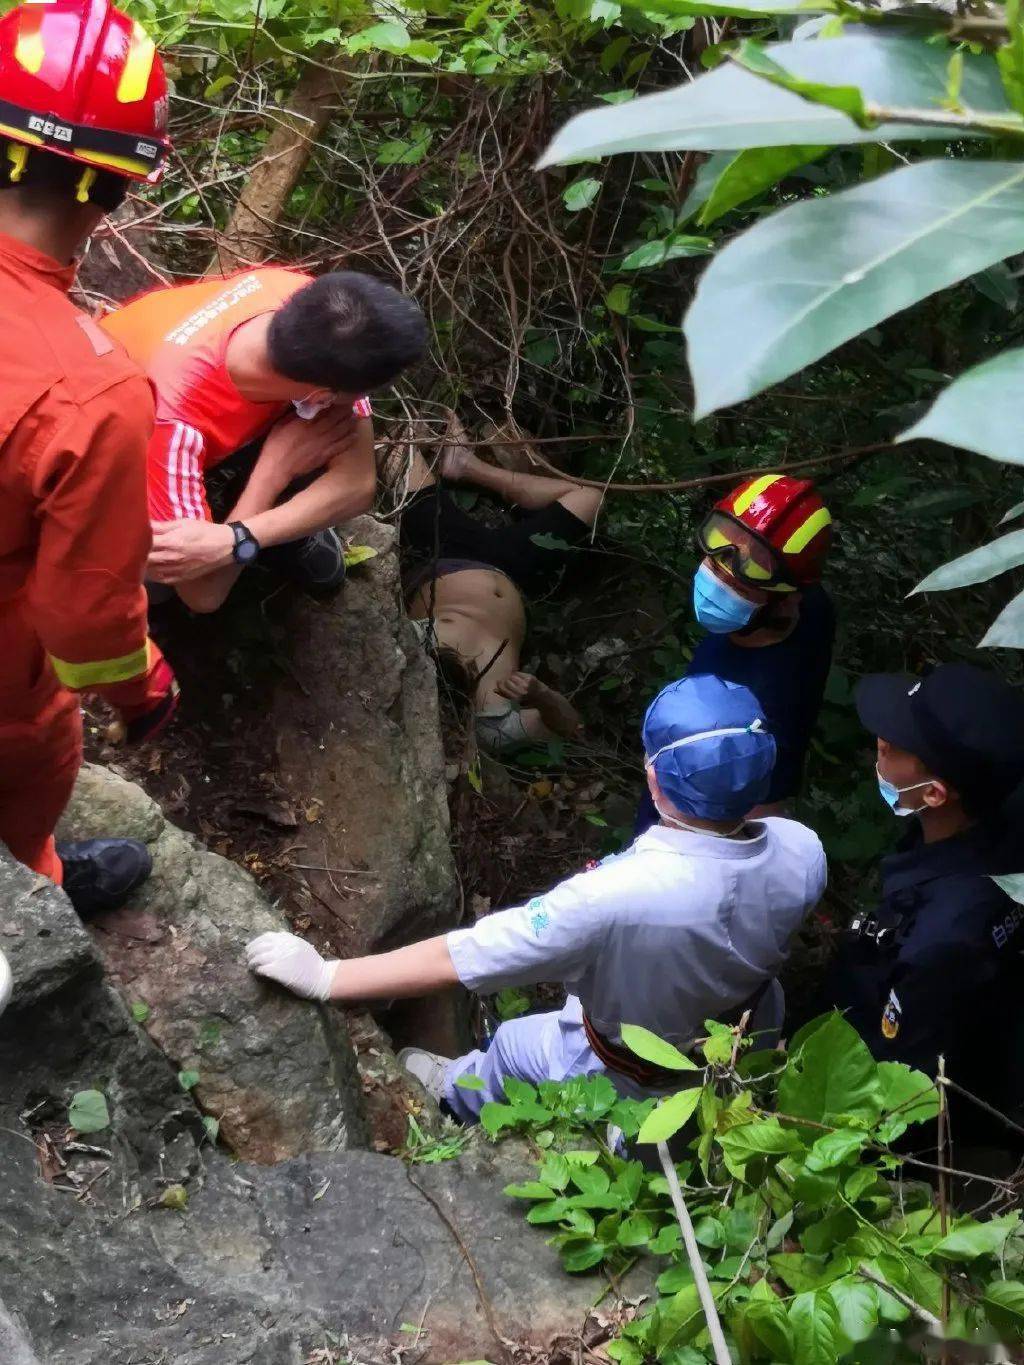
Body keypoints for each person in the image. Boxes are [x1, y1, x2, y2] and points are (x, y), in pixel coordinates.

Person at [244, 675, 827, 1118]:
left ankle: (454, 1091)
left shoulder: (613, 897)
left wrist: (329, 977)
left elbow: (465, 955)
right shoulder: (804, 852)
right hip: (738, 1039)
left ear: (654, 777)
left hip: (627, 1069)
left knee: (515, 1050)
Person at [0, 0, 179, 915]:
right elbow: (83, 616)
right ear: (124, 186)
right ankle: (39, 889)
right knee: (26, 772)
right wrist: (144, 686)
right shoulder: (94, 389)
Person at [101, 266, 427, 612]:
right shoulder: (171, 422)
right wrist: (272, 473)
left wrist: (238, 537)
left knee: (328, 434)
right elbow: (203, 594)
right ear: (321, 395)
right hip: (115, 455)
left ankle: (269, 531)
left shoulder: (311, 303)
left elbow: (358, 485)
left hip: (192, 407)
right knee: (156, 585)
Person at [823, 663, 1024, 1140]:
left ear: (934, 794)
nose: (880, 744)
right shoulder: (1001, 814)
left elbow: (903, 1083)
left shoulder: (941, 940)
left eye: (893, 748)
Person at [636, 473, 834, 830]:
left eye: (746, 573)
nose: (720, 574)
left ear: (787, 601)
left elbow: (755, 816)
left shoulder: (763, 707)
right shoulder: (805, 612)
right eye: (721, 545)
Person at [397, 444, 603, 753]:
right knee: (590, 498)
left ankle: (466, 466)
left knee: (402, 446)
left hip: (446, 553)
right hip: (515, 571)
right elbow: (572, 727)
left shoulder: (406, 648)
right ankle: (467, 466)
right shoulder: (492, 726)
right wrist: (541, 694)